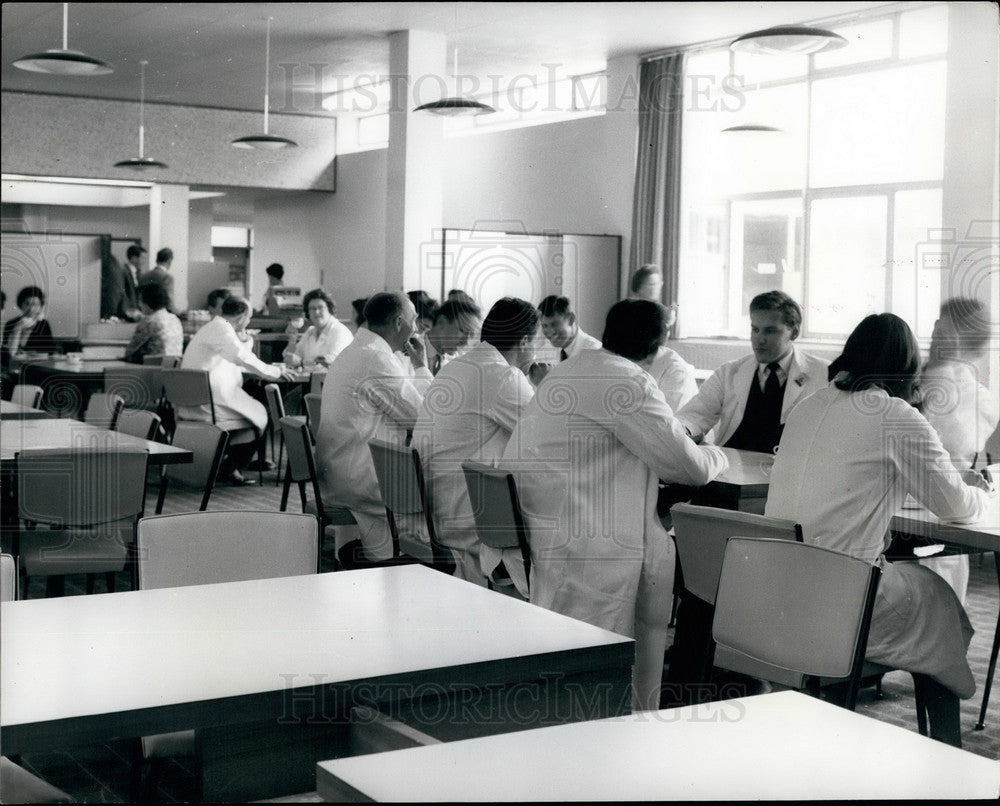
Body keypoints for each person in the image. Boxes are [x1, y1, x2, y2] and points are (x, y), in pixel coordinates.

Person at [766, 313, 993, 747]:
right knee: (937, 599)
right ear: (909, 368)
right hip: (837, 599)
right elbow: (955, 506)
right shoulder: (894, 413)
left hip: (772, 591)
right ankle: (945, 746)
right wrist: (981, 494)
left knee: (918, 592)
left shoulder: (809, 404)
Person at [501, 299, 729, 710]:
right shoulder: (627, 381)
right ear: (660, 342)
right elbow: (689, 468)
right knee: (664, 575)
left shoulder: (569, 370)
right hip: (589, 546)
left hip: (550, 536)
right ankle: (633, 717)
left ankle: (627, 712)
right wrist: (718, 455)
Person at [413, 297, 539, 586]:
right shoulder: (503, 376)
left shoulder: (456, 366)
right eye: (535, 341)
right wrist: (544, 385)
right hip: (464, 519)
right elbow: (548, 435)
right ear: (524, 341)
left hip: (432, 509)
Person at [316, 292, 431, 564]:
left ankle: (367, 558)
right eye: (414, 321)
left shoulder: (358, 351)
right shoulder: (375, 359)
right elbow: (421, 419)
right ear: (400, 322)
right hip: (363, 477)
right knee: (448, 493)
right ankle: (420, 566)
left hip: (340, 469)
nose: (416, 328)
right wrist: (422, 367)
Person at [910, 298, 998, 603]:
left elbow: (957, 456)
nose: (935, 333)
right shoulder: (913, 378)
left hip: (941, 514)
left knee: (938, 602)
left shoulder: (978, 399)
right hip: (905, 507)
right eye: (936, 325)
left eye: (945, 329)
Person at [677, 290, 828, 454]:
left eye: (770, 331)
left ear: (795, 332)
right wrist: (682, 430)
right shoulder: (728, 373)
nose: (760, 339)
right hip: (731, 468)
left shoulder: (823, 373)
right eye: (755, 329)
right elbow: (694, 415)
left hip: (788, 472)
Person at [178, 296, 297, 485]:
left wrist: (246, 341)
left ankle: (227, 464)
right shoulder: (222, 329)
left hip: (192, 399)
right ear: (242, 317)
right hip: (209, 401)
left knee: (253, 411)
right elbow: (241, 358)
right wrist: (274, 372)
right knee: (260, 415)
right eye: (248, 318)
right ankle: (231, 468)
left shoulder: (213, 327)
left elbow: (235, 358)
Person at [283, 289, 354, 368]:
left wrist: (302, 363)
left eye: (320, 307)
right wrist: (292, 340)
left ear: (329, 309)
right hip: (312, 379)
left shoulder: (340, 331)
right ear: (308, 313)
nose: (316, 312)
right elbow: (292, 359)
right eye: (312, 309)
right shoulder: (311, 331)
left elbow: (334, 363)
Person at [122, 282, 183, 364]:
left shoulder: (149, 322)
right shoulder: (175, 319)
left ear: (148, 302)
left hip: (152, 369)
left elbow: (129, 352)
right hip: (173, 369)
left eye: (140, 300)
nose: (139, 305)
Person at [422, 298, 482, 375]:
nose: (465, 342)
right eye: (462, 331)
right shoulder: (409, 350)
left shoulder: (460, 363)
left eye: (470, 334)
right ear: (442, 322)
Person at [2, 286, 56, 367]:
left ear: (40, 306)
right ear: (20, 304)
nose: (31, 308)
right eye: (27, 303)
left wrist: (27, 354)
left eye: (35, 304)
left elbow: (50, 350)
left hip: (37, 365)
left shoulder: (43, 324)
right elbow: (6, 350)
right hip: (15, 364)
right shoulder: (11, 323)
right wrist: (18, 329)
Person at [537, 295, 601, 362]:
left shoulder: (595, 353)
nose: (549, 331)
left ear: (571, 319)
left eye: (555, 324)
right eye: (544, 326)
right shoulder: (545, 352)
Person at [101, 244, 144, 321]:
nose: (144, 261)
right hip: (125, 312)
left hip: (133, 311)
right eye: (142, 258)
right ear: (134, 258)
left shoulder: (138, 273)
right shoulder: (123, 271)